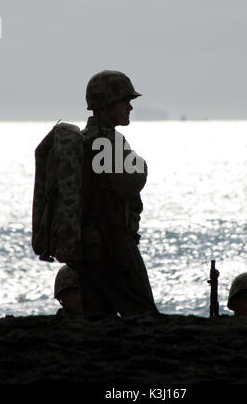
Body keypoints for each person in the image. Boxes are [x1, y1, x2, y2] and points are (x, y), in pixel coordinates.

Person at [74, 70, 158, 317]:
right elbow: (126, 184)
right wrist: (139, 164)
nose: (130, 107)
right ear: (105, 105)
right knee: (143, 312)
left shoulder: (86, 139)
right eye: (125, 101)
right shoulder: (105, 142)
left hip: (91, 243)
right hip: (112, 241)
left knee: (99, 317)